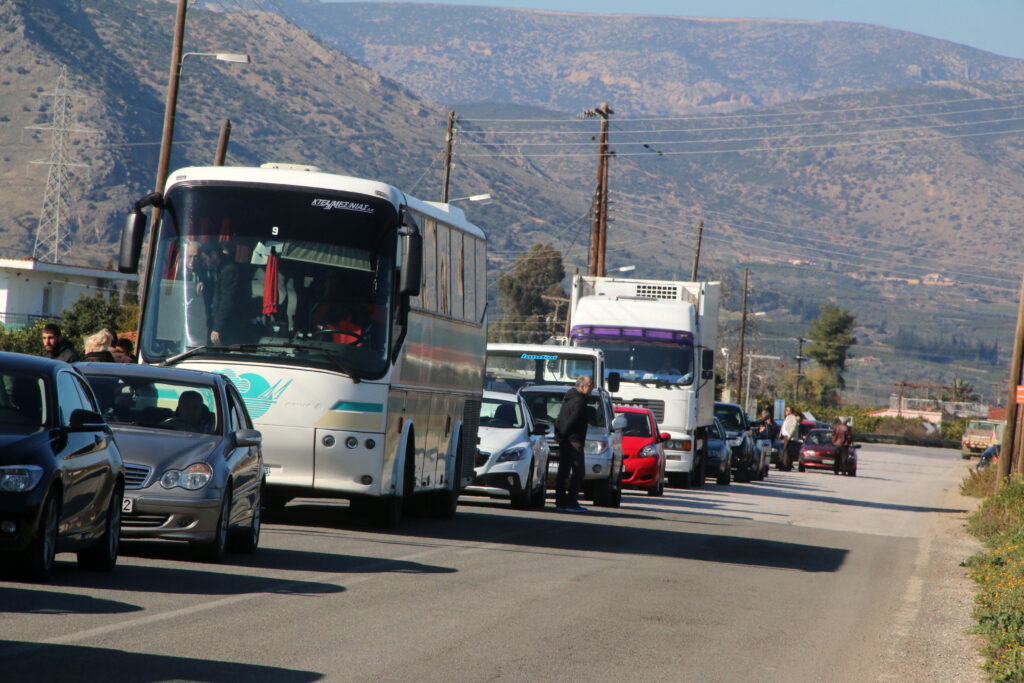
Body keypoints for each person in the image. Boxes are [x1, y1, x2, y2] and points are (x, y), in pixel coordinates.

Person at [553, 374, 593, 512]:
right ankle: (571, 502)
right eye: (590, 386)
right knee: (578, 472)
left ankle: (560, 501)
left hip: (565, 441)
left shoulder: (567, 400)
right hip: (574, 441)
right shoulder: (579, 401)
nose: (591, 388)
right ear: (582, 386)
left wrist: (558, 435)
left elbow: (558, 419)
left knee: (563, 471)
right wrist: (563, 434)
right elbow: (573, 420)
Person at [779, 405, 800, 470]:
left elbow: (793, 427)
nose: (785, 411)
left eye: (787, 410)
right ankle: (784, 465)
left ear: (791, 411)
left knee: (787, 452)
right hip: (785, 436)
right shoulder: (787, 417)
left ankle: (786, 466)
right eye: (785, 410)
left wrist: (789, 435)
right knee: (784, 451)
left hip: (789, 437)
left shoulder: (792, 417)